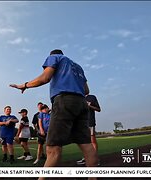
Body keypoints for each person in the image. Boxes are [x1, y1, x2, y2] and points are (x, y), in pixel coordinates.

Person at [10, 49, 98, 180]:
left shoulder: (55, 58)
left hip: (64, 100)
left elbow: (45, 78)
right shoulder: (78, 66)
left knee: (53, 148)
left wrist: (25, 85)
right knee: (86, 144)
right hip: (81, 103)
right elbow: (86, 90)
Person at [77, 94, 101, 165]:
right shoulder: (79, 97)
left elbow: (98, 109)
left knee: (92, 141)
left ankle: (95, 159)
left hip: (90, 122)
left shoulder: (91, 97)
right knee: (84, 142)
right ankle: (86, 158)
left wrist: (89, 106)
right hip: (81, 123)